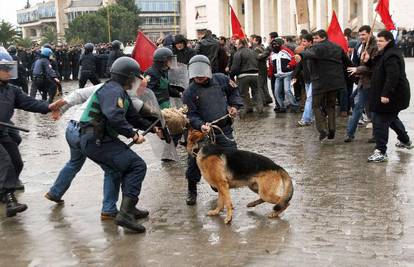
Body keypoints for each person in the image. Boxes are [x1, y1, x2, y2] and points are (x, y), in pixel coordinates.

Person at [45, 78, 150, 221]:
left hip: (72, 128)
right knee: (113, 168)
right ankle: (109, 210)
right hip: (89, 132)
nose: (141, 90)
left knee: (74, 163)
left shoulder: (105, 87)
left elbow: (78, 94)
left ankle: (55, 192)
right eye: (140, 86)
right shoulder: (122, 93)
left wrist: (61, 109)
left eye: (144, 87)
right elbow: (139, 114)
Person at [78, 57, 162, 233]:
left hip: (101, 139)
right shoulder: (112, 91)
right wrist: (132, 134)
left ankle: (129, 209)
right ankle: (124, 214)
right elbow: (114, 115)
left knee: (126, 166)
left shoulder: (120, 92)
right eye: (134, 78)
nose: (135, 82)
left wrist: (154, 129)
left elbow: (133, 117)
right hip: (95, 140)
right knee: (137, 165)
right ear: (127, 77)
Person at [183, 55, 243, 205]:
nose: (199, 77)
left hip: (224, 129)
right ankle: (192, 190)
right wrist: (200, 125)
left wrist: (234, 106)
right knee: (194, 163)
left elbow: (234, 93)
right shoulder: (189, 92)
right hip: (201, 134)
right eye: (196, 74)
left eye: (202, 73)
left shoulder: (222, 79)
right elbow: (191, 114)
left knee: (231, 158)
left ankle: (218, 182)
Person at [0, 49, 54, 217]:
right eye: (4, 68)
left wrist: (49, 106)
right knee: (5, 163)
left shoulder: (12, 90)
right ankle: (9, 200)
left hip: (2, 131)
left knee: (17, 162)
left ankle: (4, 190)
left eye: (9, 67)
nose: (8, 72)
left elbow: (29, 103)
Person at [361, 30, 412, 162]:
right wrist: (367, 61)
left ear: (389, 41)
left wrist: (386, 94)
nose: (378, 43)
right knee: (392, 119)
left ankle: (381, 151)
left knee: (380, 120)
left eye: (381, 41)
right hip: (389, 94)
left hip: (393, 95)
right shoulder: (385, 53)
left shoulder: (392, 55)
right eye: (377, 40)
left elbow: (392, 76)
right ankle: (406, 141)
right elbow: (377, 68)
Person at [296, 30, 353, 141]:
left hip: (320, 82)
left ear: (322, 38)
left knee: (316, 105)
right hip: (335, 82)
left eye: (316, 38)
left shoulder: (317, 48)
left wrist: (300, 55)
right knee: (330, 106)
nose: (314, 41)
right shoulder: (337, 47)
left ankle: (322, 129)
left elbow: (309, 53)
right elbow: (348, 63)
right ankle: (332, 129)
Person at [345, 25, 378, 142]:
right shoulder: (362, 45)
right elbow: (361, 63)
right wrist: (358, 71)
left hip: (373, 83)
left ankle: (376, 135)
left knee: (373, 110)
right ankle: (350, 134)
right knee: (358, 107)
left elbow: (373, 67)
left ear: (370, 33)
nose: (361, 37)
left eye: (363, 34)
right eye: (360, 35)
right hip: (363, 82)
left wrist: (358, 70)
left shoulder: (375, 46)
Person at [230, 38, 263, 115]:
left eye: (236, 44)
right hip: (255, 74)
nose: (235, 46)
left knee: (243, 93)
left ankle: (247, 108)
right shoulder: (253, 51)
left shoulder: (238, 53)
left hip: (243, 75)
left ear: (240, 44)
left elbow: (235, 67)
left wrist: (231, 76)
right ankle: (260, 108)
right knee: (256, 92)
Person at [269, 38, 299, 113]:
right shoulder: (272, 54)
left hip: (287, 74)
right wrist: (270, 73)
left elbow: (293, 59)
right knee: (276, 92)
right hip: (277, 76)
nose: (275, 46)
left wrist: (289, 65)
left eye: (276, 44)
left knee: (287, 90)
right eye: (273, 44)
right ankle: (282, 106)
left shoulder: (286, 51)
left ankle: (294, 105)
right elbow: (271, 65)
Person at [292, 34, 314, 126]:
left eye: (305, 41)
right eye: (302, 41)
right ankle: (313, 117)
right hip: (307, 79)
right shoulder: (304, 52)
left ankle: (305, 119)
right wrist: (294, 76)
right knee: (312, 99)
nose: (302, 43)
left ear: (310, 42)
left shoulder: (314, 51)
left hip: (315, 79)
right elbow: (300, 65)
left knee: (309, 99)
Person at [252, 35, 274, 105]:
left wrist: (256, 56)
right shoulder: (262, 47)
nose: (251, 41)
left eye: (253, 40)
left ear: (257, 41)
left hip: (260, 68)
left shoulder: (256, 49)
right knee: (264, 84)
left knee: (260, 85)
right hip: (263, 68)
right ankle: (267, 99)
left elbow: (260, 57)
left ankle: (263, 100)